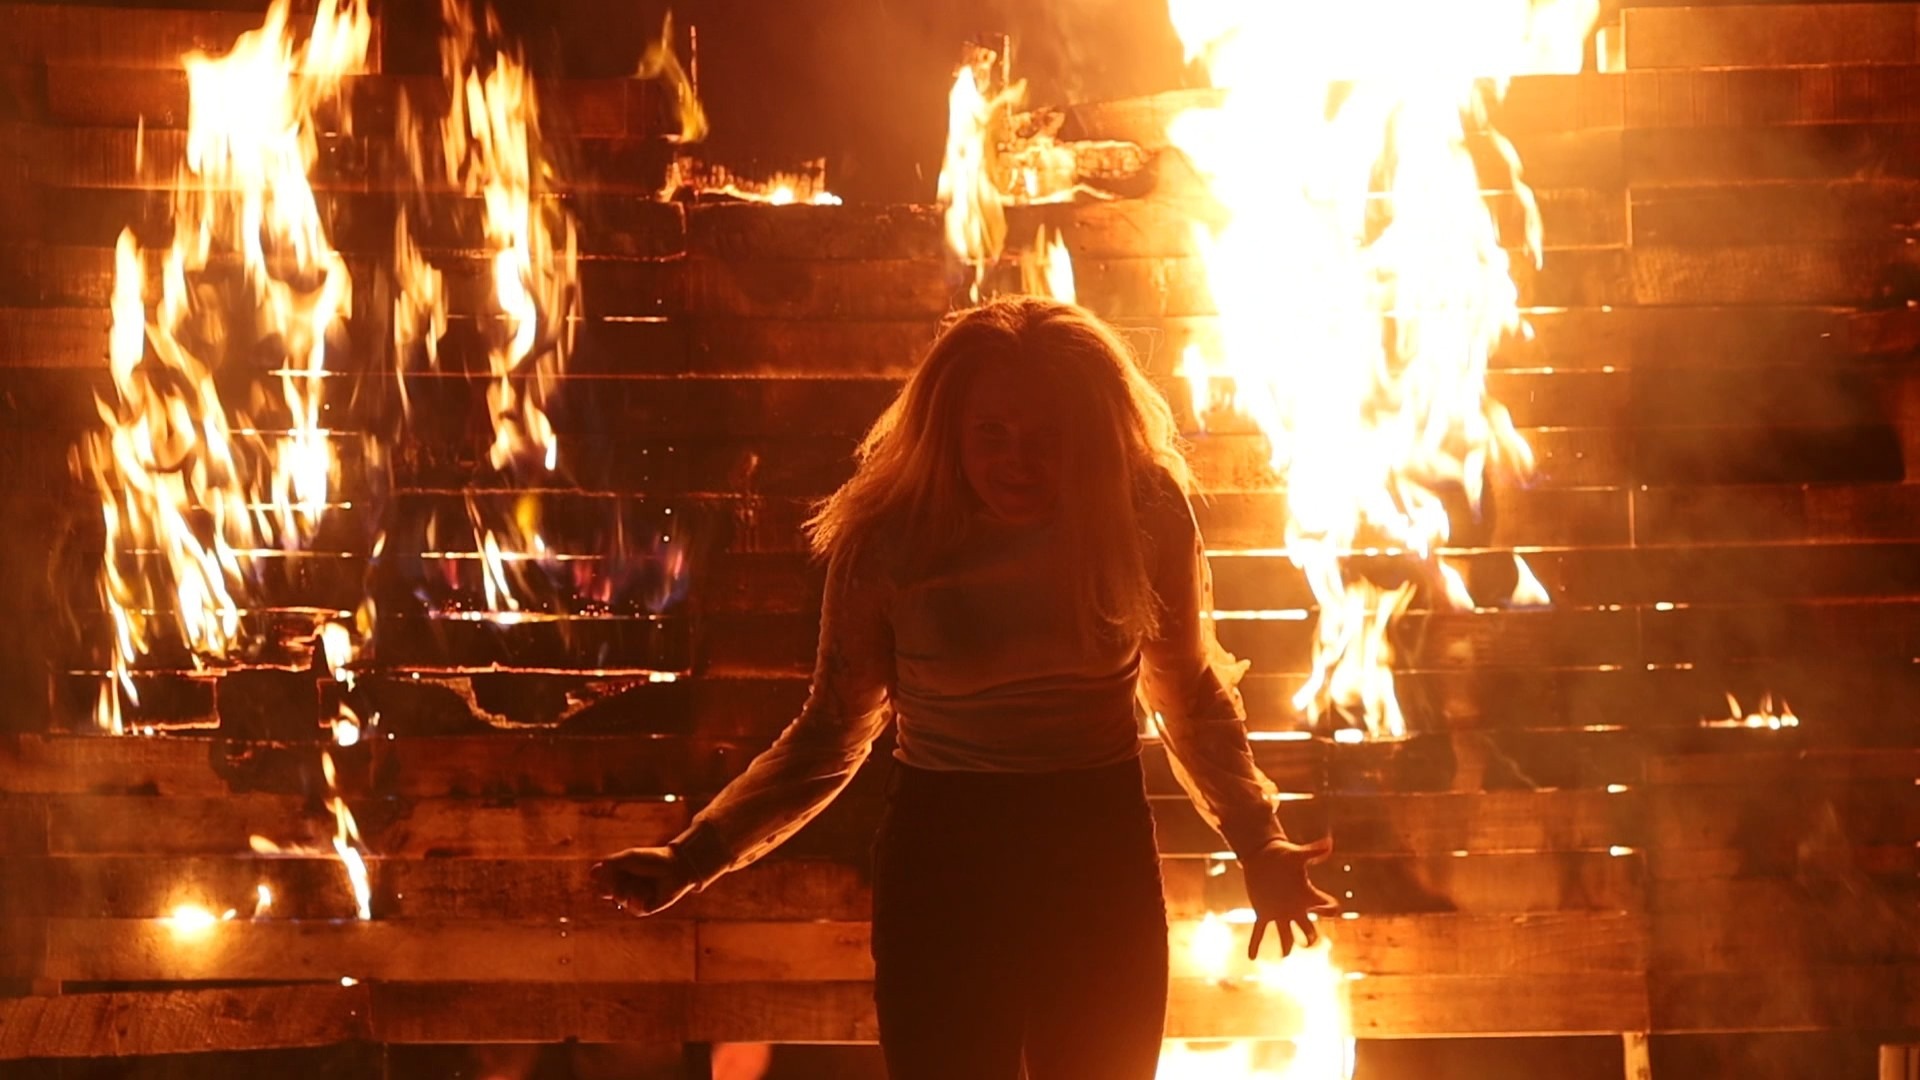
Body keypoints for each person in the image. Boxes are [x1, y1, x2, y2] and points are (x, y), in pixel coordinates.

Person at [591, 297, 1336, 1079]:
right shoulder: (890, 537)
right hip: (945, 852)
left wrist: (1259, 838)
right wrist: (694, 854)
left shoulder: (1142, 511)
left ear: (1090, 435)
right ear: (950, 430)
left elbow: (1188, 694)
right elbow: (831, 733)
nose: (1019, 461)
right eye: (993, 435)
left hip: (1094, 845)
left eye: (1046, 440)